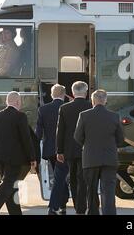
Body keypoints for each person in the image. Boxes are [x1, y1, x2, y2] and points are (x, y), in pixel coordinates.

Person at [0, 91, 36, 215]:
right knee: (8, 183)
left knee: (11, 186)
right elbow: (26, 139)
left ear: (7, 102)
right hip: (14, 158)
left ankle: (16, 213)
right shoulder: (20, 116)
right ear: (17, 102)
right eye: (20, 102)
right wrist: (32, 158)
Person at [74, 89, 124, 215]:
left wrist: (88, 145)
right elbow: (120, 139)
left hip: (90, 159)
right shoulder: (114, 116)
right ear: (105, 100)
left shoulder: (84, 115)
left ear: (93, 100)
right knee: (108, 191)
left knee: (91, 190)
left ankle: (93, 212)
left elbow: (77, 136)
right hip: (109, 159)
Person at [56, 81, 92, 215]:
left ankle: (78, 206)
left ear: (72, 93)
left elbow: (60, 131)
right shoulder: (91, 106)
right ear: (86, 92)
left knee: (73, 178)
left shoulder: (64, 108)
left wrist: (59, 150)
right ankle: (81, 207)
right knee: (83, 178)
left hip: (70, 149)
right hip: (86, 149)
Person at [35, 84, 69, 215]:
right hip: (65, 150)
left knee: (59, 176)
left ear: (51, 94)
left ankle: (62, 205)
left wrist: (35, 150)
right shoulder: (67, 108)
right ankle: (54, 207)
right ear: (64, 95)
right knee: (60, 177)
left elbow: (38, 132)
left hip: (49, 149)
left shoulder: (43, 109)